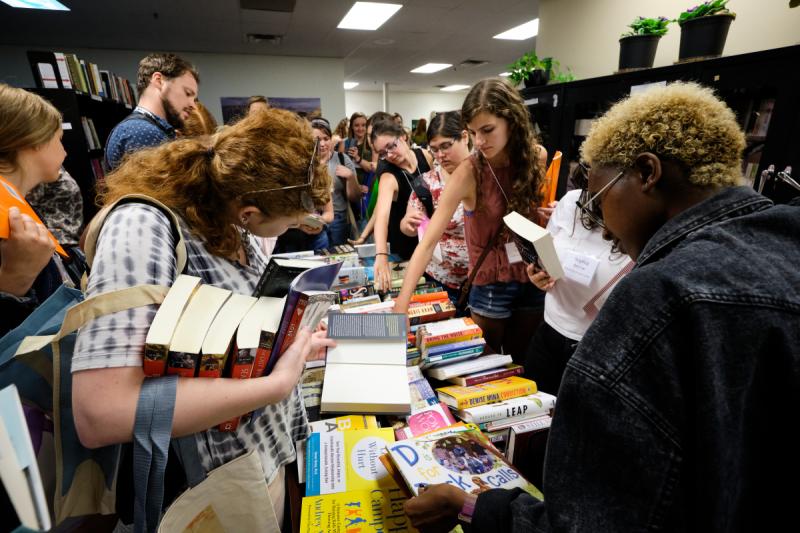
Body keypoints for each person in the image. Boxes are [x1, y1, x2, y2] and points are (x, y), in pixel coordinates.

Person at [403, 81, 800, 532]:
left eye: (598, 196)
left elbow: (589, 518)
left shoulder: (658, 299)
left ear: (647, 173)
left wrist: (477, 508)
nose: (600, 222)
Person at [72, 107, 336, 529]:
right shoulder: (143, 226)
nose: (294, 227)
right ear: (250, 211)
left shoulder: (224, 217)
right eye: (289, 222)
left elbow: (217, 336)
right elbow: (102, 411)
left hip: (258, 463)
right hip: (205, 488)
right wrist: (276, 384)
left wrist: (289, 343)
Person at [393, 78, 547, 357]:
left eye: (488, 130)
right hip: (491, 284)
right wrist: (401, 306)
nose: (480, 141)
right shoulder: (469, 172)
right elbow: (427, 242)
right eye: (474, 132)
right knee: (486, 368)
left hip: (533, 275)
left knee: (526, 362)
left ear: (511, 121)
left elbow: (533, 217)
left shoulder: (536, 156)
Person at [522, 162, 633, 394]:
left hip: (595, 347)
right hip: (550, 329)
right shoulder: (572, 202)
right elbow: (549, 247)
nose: (593, 199)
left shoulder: (634, 220)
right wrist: (539, 275)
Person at [0, 84, 83, 336]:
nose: (65, 151)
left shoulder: (16, 200)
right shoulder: (6, 210)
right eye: (59, 139)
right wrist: (15, 279)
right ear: (33, 140)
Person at [398, 111, 470, 306]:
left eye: (446, 146)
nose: (440, 155)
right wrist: (407, 223)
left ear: (465, 137)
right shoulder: (427, 183)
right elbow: (409, 228)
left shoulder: (487, 175)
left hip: (483, 282)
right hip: (440, 279)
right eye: (434, 149)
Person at [105, 53, 199, 169]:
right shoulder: (142, 132)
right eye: (188, 93)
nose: (193, 105)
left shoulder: (148, 129)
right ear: (158, 80)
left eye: (194, 99)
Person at [370, 118, 434, 282]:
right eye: (382, 153)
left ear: (403, 136)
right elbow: (382, 217)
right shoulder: (388, 175)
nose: (389, 155)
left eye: (391, 146)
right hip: (405, 247)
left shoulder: (425, 156)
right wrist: (382, 254)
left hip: (431, 240)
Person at [310, 118, 360, 246]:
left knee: (338, 257)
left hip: (338, 219)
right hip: (311, 220)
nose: (322, 144)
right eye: (317, 139)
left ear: (331, 139)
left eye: (326, 139)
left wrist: (350, 177)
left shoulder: (342, 159)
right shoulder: (305, 163)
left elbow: (355, 197)